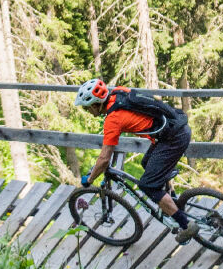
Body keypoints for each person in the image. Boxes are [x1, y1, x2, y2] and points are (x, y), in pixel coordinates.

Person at [75, 78, 196, 241]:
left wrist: (89, 179)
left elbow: (104, 159)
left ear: (96, 104)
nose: (86, 110)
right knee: (146, 163)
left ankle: (186, 225)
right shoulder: (119, 92)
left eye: (87, 107)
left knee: (148, 186)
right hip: (175, 127)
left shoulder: (112, 120)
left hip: (173, 138)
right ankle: (172, 199)